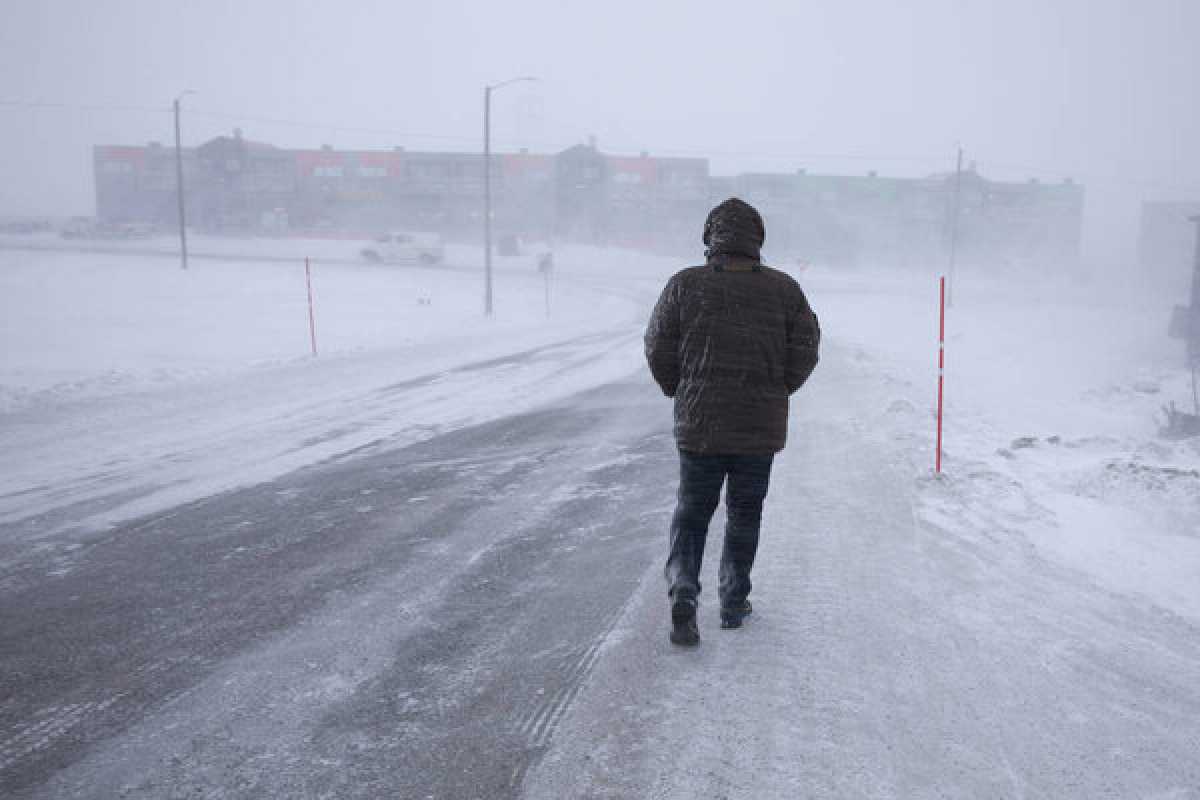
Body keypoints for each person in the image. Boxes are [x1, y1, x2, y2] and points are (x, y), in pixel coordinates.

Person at [644, 197, 820, 646]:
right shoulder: (785, 291)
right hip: (757, 429)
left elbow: (658, 346)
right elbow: (806, 349)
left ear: (710, 237)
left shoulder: (685, 285)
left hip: (699, 424)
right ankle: (733, 601)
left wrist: (680, 390)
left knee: (692, 511)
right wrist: (776, 390)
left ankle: (684, 590)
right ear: (757, 239)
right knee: (744, 513)